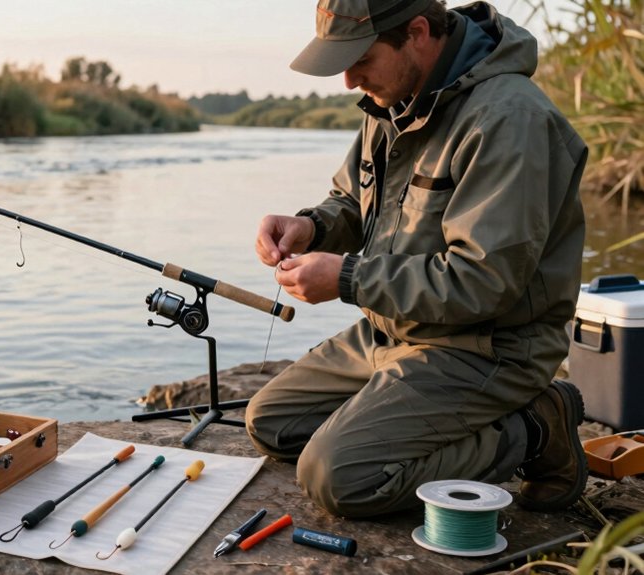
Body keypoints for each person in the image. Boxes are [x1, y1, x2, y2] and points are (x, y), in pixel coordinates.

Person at [245, 0, 588, 518]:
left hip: (487, 346)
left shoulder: (509, 119)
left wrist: (347, 278)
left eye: (360, 59)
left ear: (419, 33)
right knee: (271, 422)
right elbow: (351, 202)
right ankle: (404, 420)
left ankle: (536, 428)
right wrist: (312, 226)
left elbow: (483, 281)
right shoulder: (392, 100)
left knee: (336, 478)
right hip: (396, 332)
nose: (347, 80)